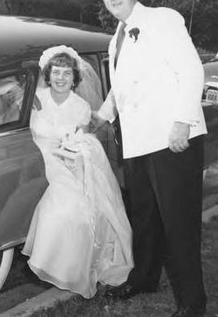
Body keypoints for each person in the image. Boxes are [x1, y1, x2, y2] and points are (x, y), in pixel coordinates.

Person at [92, 0, 208, 317]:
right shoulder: (117, 37)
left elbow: (192, 69)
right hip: (139, 143)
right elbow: (122, 87)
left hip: (172, 140)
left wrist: (182, 123)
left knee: (179, 224)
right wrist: (101, 116)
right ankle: (144, 277)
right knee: (144, 218)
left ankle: (192, 303)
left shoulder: (163, 19)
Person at [21, 45, 133, 299]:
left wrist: (74, 154)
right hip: (33, 156)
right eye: (56, 72)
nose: (60, 78)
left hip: (64, 160)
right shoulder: (36, 98)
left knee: (76, 208)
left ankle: (69, 269)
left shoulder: (81, 106)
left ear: (75, 79)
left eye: (67, 73)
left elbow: (83, 141)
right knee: (67, 205)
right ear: (47, 75)